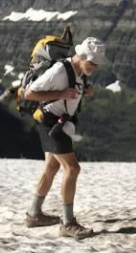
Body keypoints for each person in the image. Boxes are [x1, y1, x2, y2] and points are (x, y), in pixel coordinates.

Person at [23, 36, 106, 240]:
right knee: (72, 168)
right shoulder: (61, 70)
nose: (94, 68)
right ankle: (68, 223)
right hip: (50, 122)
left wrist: (85, 91)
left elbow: (74, 91)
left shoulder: (80, 71)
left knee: (52, 167)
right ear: (81, 56)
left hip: (58, 121)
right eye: (92, 63)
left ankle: (34, 214)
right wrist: (61, 93)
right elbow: (29, 94)